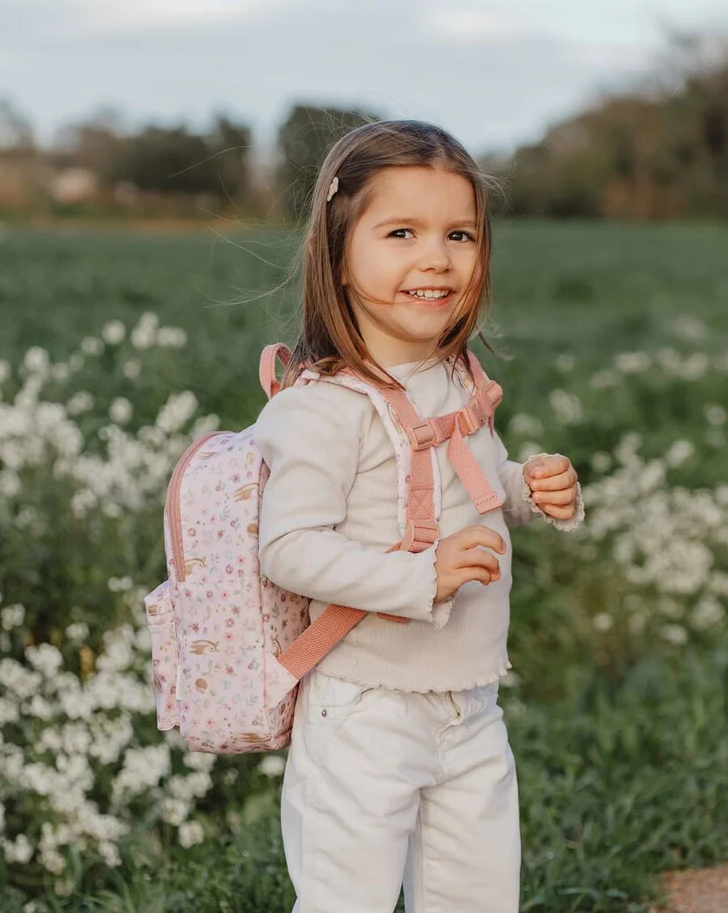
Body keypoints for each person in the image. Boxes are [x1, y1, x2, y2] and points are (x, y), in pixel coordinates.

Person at [253, 119, 583, 913]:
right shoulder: (324, 406)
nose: (437, 257)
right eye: (401, 232)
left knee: (476, 896)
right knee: (348, 901)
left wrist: (522, 489)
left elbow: (463, 480)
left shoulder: (453, 376)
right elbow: (288, 548)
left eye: (460, 234)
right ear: (336, 252)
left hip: (470, 700)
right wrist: (419, 577)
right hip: (366, 705)